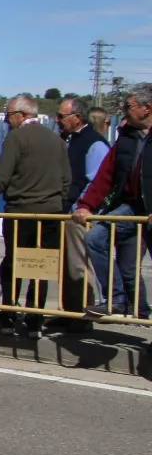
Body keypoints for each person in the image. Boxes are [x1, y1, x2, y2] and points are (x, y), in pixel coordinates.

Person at [0, 94, 70, 333]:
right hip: (51, 214)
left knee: (14, 262)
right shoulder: (57, 139)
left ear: (22, 115)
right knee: (42, 267)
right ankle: (35, 318)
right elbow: (66, 180)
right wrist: (56, 202)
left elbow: (1, 177)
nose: (7, 120)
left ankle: (9, 315)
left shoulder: (17, 138)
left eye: (9, 115)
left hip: (21, 211)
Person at [74, 84, 152, 318]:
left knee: (130, 269)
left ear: (147, 108)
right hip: (132, 207)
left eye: (128, 106)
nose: (123, 110)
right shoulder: (127, 138)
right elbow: (105, 175)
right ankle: (116, 299)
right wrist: (87, 205)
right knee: (96, 238)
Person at [55, 96, 109, 326]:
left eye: (61, 116)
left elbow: (96, 180)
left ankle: (80, 317)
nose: (57, 120)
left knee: (78, 266)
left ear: (77, 118)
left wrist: (81, 207)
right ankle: (68, 313)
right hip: (66, 211)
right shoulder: (69, 140)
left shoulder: (93, 143)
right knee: (65, 267)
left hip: (79, 215)